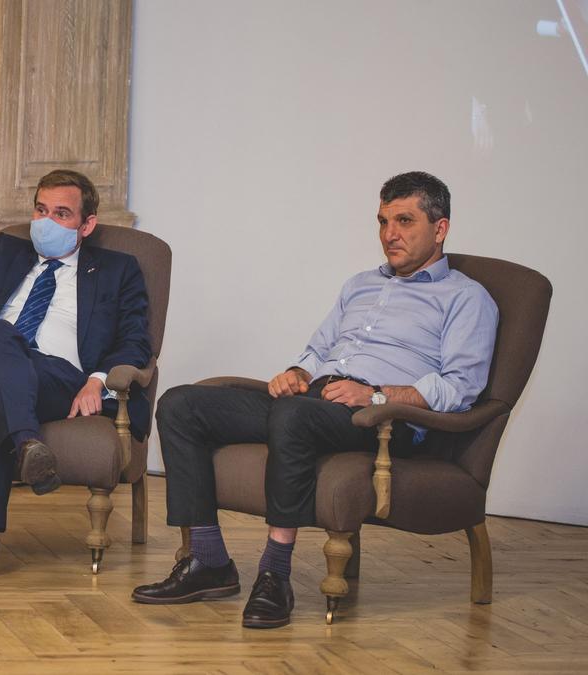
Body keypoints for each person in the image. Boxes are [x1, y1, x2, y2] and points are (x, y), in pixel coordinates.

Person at [131, 171, 499, 628]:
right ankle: (208, 561)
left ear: (440, 228)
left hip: (382, 419)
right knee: (180, 404)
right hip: (317, 398)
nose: (390, 234)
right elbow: (319, 348)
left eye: (405, 221)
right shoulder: (360, 284)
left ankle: (274, 575)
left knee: (294, 415)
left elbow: (461, 388)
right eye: (383, 221)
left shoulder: (466, 298)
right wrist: (297, 373)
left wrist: (375, 395)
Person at [0, 136, 153, 583]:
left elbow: (135, 339)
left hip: (58, 379)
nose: (46, 221)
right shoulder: (11, 253)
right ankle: (27, 443)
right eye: (41, 210)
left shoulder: (118, 271)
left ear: (86, 224)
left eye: (61, 213)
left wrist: (98, 379)